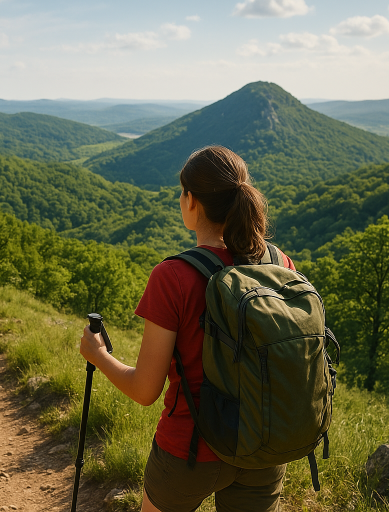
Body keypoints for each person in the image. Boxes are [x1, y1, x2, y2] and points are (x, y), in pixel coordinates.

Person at [79, 145, 295, 512]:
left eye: (182, 193)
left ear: (191, 201)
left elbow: (145, 390)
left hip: (190, 448)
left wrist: (98, 355)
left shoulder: (174, 276)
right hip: (265, 445)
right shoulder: (279, 263)